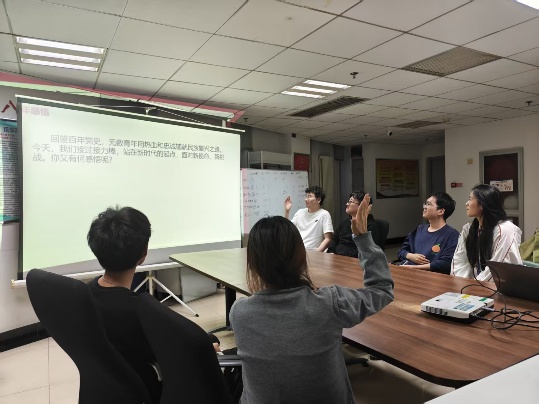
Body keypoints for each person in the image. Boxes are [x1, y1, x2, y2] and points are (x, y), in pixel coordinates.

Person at [231, 194, 394, 404]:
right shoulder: (329, 303)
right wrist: (363, 238)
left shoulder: (239, 313)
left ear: (252, 263)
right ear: (301, 256)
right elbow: (382, 290)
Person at [86, 206, 161, 402]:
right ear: (143, 253)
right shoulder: (142, 310)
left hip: (102, 391)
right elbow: (167, 352)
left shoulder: (83, 295)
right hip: (145, 392)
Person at [451, 184, 522, 282]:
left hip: (502, 287)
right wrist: (462, 284)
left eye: (470, 199)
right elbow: (459, 261)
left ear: (482, 204)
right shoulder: (468, 229)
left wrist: (474, 286)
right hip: (474, 286)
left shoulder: (505, 230)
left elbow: (497, 268)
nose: (466, 203)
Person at [396, 192, 459, 274]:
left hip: (433, 277)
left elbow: (446, 264)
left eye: (429, 204)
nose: (424, 207)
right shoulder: (420, 229)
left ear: (440, 211)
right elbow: (401, 252)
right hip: (411, 273)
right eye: (425, 204)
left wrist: (414, 268)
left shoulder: (452, 235)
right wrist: (410, 256)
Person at [327, 190, 381, 256]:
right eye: (348, 201)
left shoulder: (370, 226)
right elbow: (334, 239)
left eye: (351, 202)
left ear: (362, 206)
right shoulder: (345, 221)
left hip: (353, 259)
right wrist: (331, 252)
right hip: (337, 256)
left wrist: (343, 256)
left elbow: (365, 250)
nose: (347, 204)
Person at [284, 185, 334, 251]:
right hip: (298, 251)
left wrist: (317, 252)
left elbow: (328, 239)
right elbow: (288, 229)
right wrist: (287, 211)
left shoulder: (324, 214)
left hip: (314, 252)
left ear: (318, 200)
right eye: (306, 196)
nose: (306, 199)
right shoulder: (300, 212)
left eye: (309, 196)